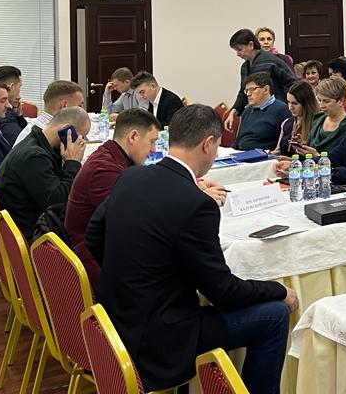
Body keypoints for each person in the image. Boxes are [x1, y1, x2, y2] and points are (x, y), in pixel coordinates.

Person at [87, 105, 296, 393]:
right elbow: (224, 293)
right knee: (275, 315)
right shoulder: (195, 204)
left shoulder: (130, 177)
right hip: (159, 341)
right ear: (208, 144)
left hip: (113, 321)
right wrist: (278, 289)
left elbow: (94, 236)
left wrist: (134, 274)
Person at [65, 108, 163, 282]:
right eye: (152, 141)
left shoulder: (111, 157)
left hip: (102, 248)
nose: (153, 150)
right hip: (93, 262)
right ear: (133, 137)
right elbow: (138, 219)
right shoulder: (104, 170)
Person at [0, 106, 89, 239]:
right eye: (81, 136)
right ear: (67, 130)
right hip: (35, 234)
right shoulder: (34, 157)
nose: (82, 142)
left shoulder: (37, 142)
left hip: (25, 219)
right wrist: (73, 163)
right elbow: (59, 203)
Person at [225, 29, 297, 131]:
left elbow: (293, 84)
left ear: (251, 45)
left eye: (239, 50)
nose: (238, 54)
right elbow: (243, 92)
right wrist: (233, 112)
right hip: (259, 112)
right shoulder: (245, 66)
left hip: (277, 113)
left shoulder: (271, 61)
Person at [234, 73, 291, 152]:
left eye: (252, 89)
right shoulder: (247, 110)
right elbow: (238, 140)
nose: (248, 94)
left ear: (266, 89)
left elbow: (285, 144)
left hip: (263, 156)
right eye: (246, 90)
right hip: (241, 154)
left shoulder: (281, 110)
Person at [302, 78, 346, 155]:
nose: (321, 105)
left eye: (326, 101)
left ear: (341, 101)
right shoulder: (318, 119)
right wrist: (302, 146)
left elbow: (345, 158)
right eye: (319, 100)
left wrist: (316, 155)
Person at [275, 80, 318, 156]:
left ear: (306, 104)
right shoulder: (286, 123)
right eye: (288, 102)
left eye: (295, 103)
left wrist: (290, 160)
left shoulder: (317, 124)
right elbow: (278, 151)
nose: (290, 107)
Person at [0, 65, 27, 143]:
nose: (19, 95)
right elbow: (22, 142)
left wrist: (19, 116)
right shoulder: (3, 112)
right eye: (19, 87)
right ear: (12, 87)